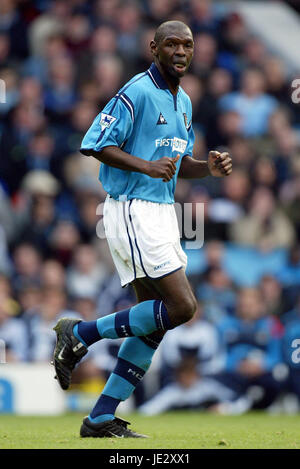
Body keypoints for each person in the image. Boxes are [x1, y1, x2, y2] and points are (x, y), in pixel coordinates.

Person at [52, 20, 232, 438]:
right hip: (133, 208)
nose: (181, 52)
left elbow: (179, 163)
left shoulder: (183, 101)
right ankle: (79, 333)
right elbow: (94, 141)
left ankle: (99, 418)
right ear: (154, 48)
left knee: (156, 322)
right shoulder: (137, 91)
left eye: (187, 45)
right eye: (172, 44)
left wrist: (208, 167)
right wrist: (147, 166)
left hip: (161, 211)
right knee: (183, 308)